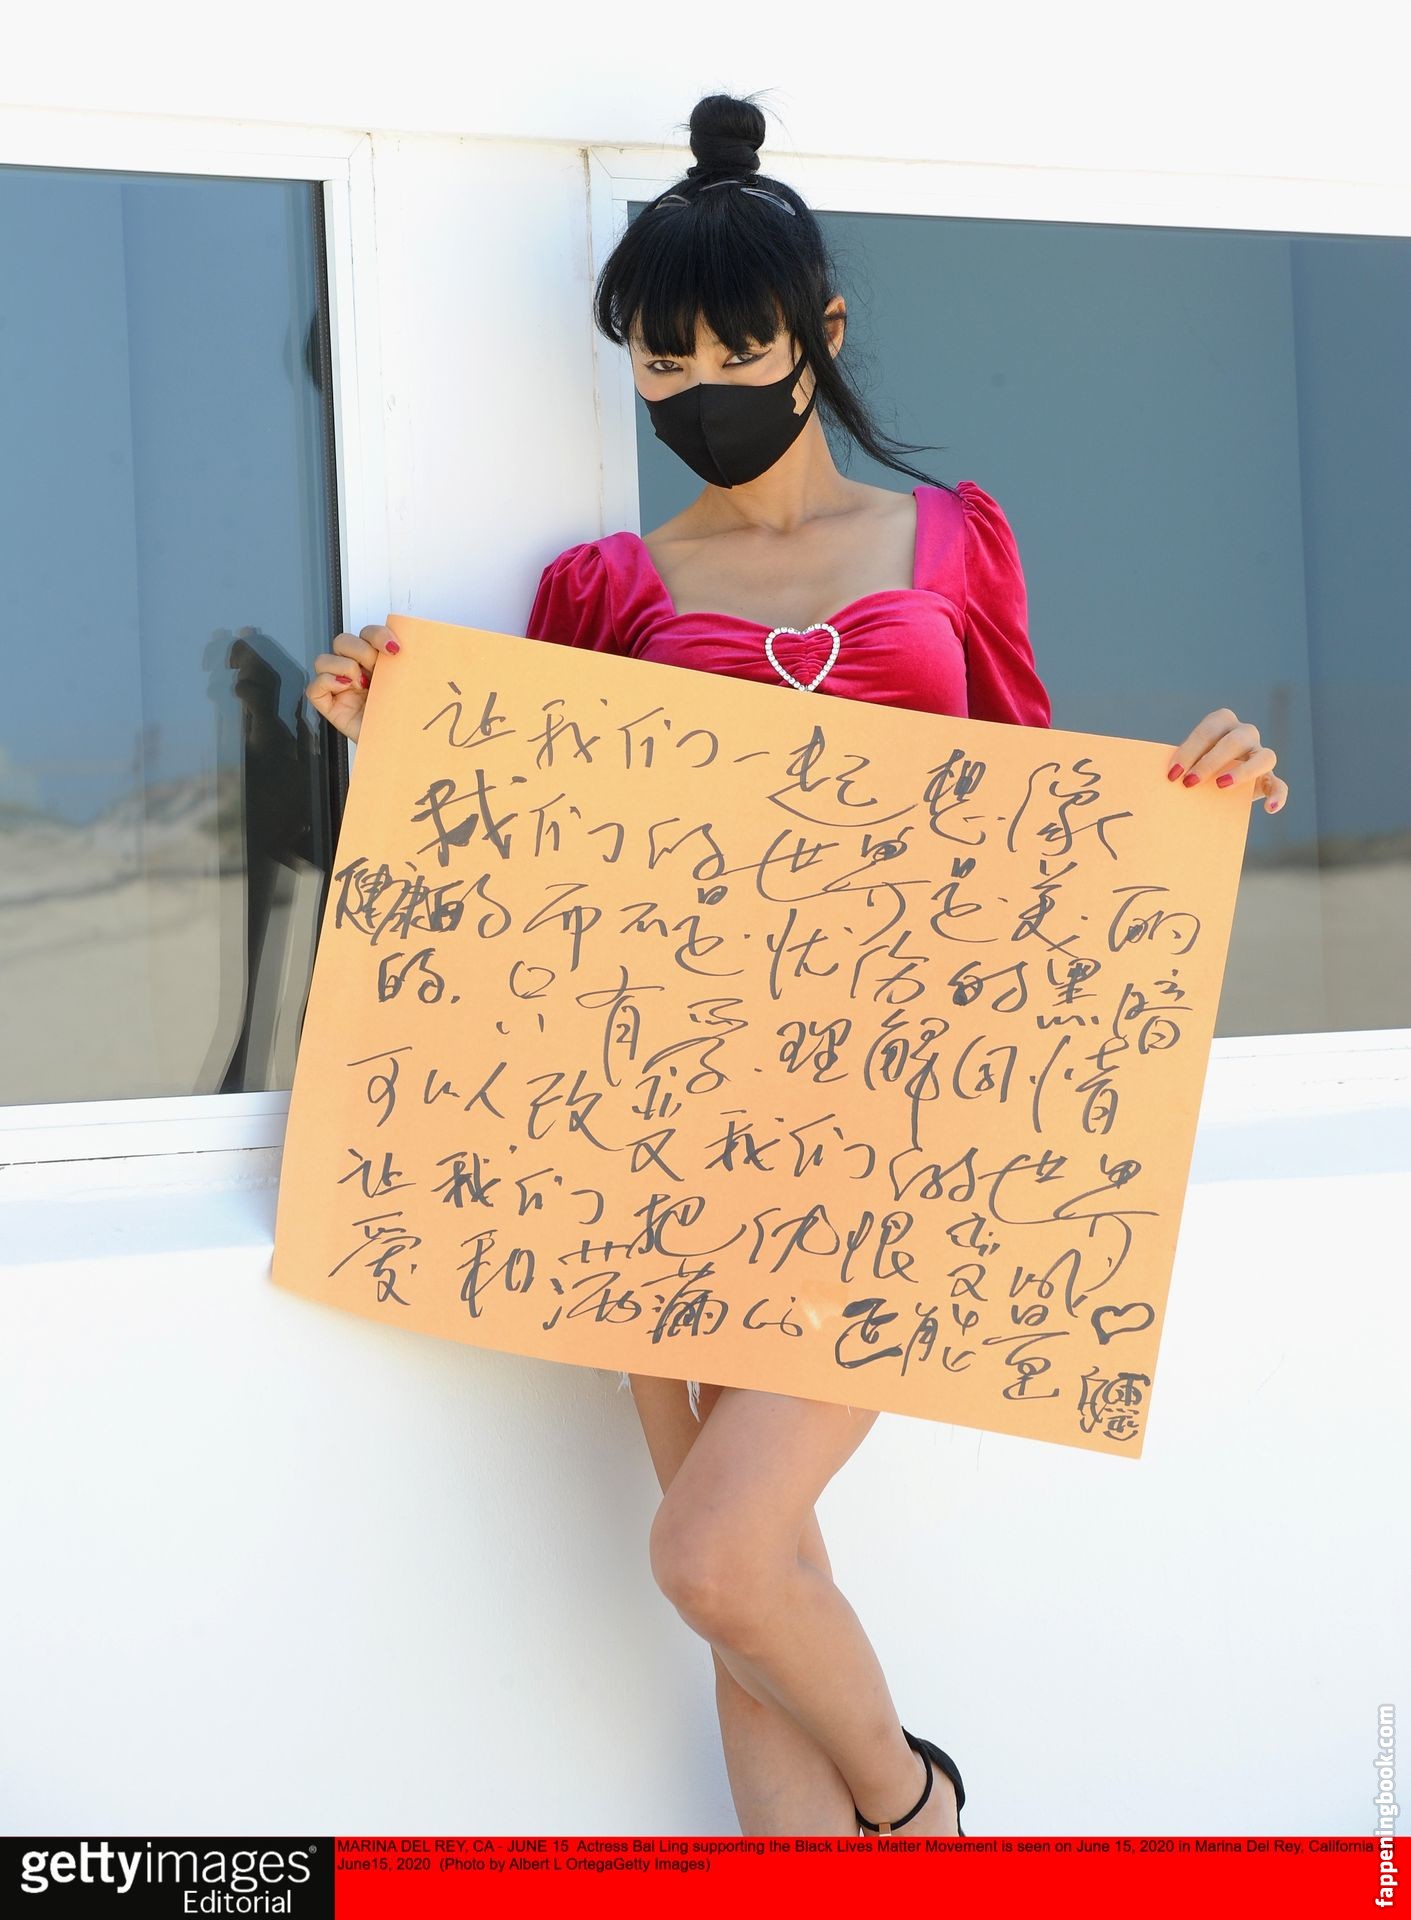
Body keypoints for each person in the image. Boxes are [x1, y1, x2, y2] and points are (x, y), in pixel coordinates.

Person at [306, 91, 1289, 1840]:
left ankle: (920, 1810)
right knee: (744, 1596)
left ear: (819, 332)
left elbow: (1031, 803)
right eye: (659, 363)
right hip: (673, 1130)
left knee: (713, 1551)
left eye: (735, 350)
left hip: (899, 1129)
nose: (698, 389)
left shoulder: (950, 541)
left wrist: (1194, 795)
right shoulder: (611, 584)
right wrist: (400, 743)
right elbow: (553, 849)